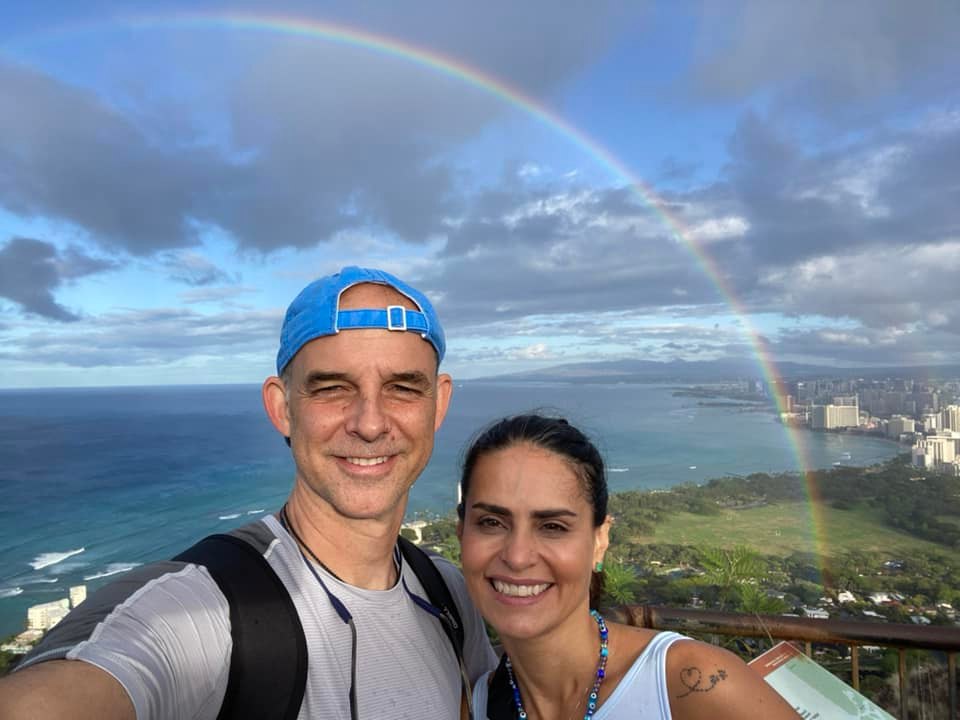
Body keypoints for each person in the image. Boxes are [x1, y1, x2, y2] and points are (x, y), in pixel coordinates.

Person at [0, 266, 497, 720]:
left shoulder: (451, 595)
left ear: (438, 404)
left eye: (403, 387)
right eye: (331, 388)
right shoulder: (206, 611)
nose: (369, 423)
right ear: (282, 408)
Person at [457, 414, 800, 720]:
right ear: (461, 534)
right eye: (491, 522)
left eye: (553, 527)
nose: (517, 556)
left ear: (599, 542)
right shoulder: (478, 705)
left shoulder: (687, 683)